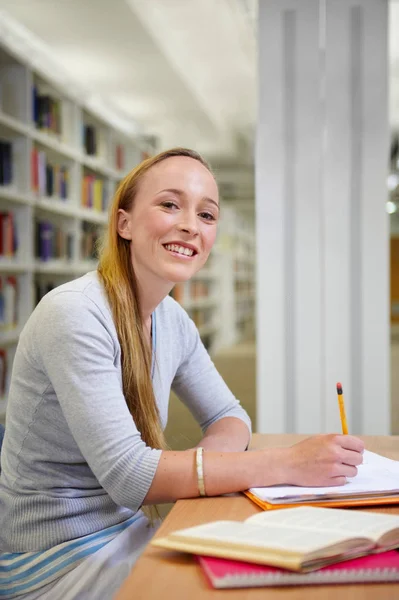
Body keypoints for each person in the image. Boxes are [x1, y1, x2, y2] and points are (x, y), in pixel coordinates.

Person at [0, 148, 364, 599]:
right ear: (124, 223)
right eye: (170, 204)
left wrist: (209, 470)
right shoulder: (74, 313)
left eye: (207, 214)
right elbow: (130, 477)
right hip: (56, 561)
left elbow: (230, 415)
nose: (191, 224)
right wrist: (286, 463)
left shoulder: (171, 318)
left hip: (127, 532)